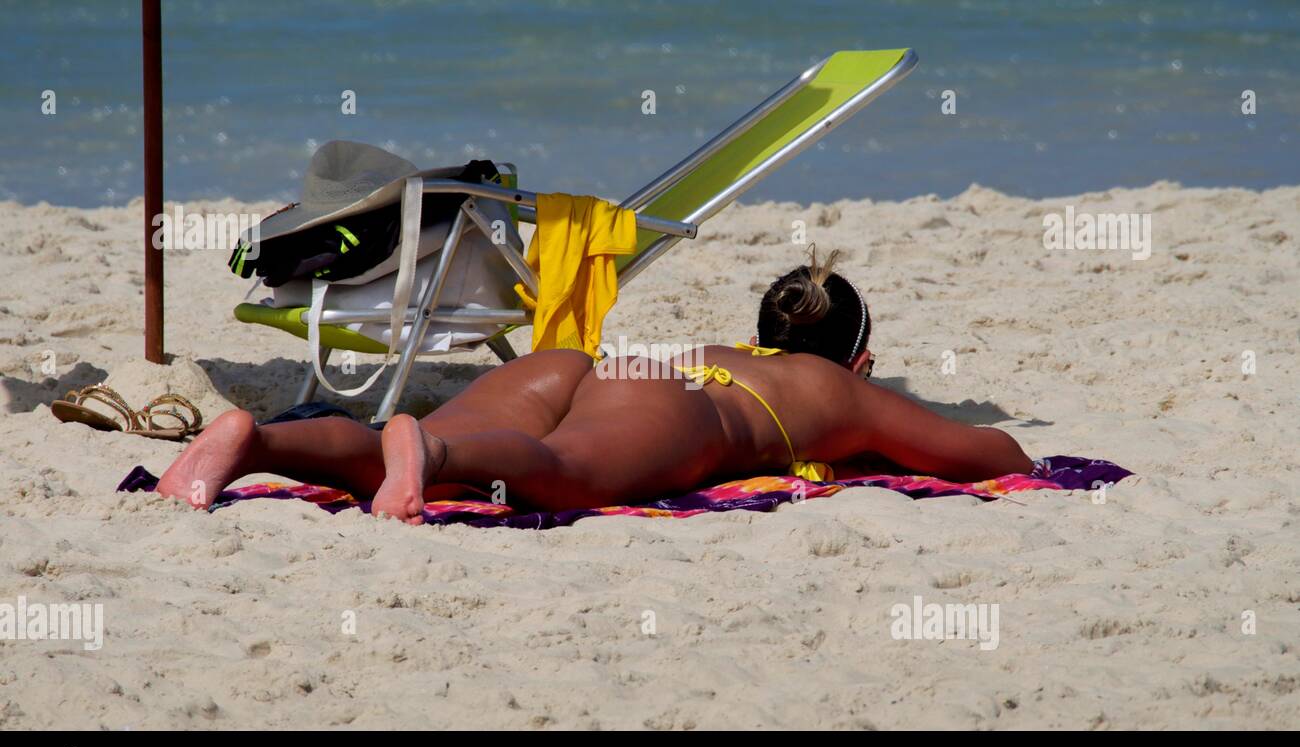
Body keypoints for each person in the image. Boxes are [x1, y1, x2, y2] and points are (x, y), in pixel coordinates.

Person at [158, 248, 1033, 523]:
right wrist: (877, 417)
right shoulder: (835, 388)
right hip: (669, 407)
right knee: (559, 470)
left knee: (423, 465)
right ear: (858, 359)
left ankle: (254, 440)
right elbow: (990, 455)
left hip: (592, 363)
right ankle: (433, 447)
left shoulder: (734, 352)